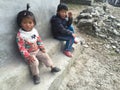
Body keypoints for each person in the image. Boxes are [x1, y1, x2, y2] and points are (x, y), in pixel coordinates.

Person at [16, 4, 60, 85]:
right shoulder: (20, 35)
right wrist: (28, 56)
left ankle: (52, 67)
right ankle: (35, 75)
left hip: (37, 50)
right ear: (20, 23)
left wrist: (41, 47)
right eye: (24, 22)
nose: (28, 24)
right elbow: (21, 47)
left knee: (45, 55)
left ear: (34, 23)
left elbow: (38, 39)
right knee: (35, 62)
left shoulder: (34, 31)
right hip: (29, 54)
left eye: (30, 22)